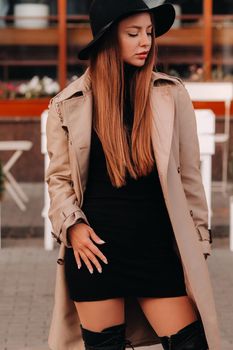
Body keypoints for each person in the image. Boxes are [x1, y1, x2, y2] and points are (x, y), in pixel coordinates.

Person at [45, 0, 221, 349]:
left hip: (155, 251)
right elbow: (59, 180)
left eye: (150, 33)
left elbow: (189, 178)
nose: (146, 42)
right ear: (109, 40)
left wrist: (197, 245)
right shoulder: (68, 104)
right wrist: (73, 227)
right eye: (134, 33)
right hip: (95, 255)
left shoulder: (170, 95)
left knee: (191, 343)